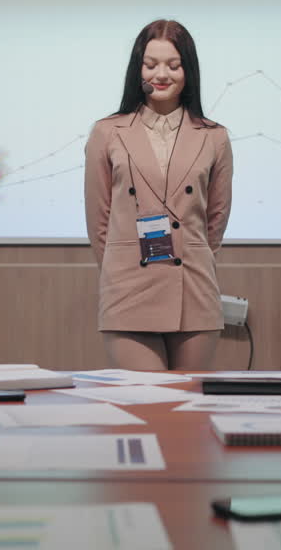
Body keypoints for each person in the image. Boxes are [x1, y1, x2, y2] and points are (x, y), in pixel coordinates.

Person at [84, 19, 233, 371]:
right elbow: (99, 222)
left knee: (188, 412)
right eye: (150, 65)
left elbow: (216, 220)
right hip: (129, 287)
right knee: (147, 407)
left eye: (173, 64)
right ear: (138, 70)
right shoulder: (107, 133)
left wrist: (190, 252)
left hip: (194, 288)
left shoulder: (215, 136)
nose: (161, 74)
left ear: (188, 70)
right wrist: (121, 270)